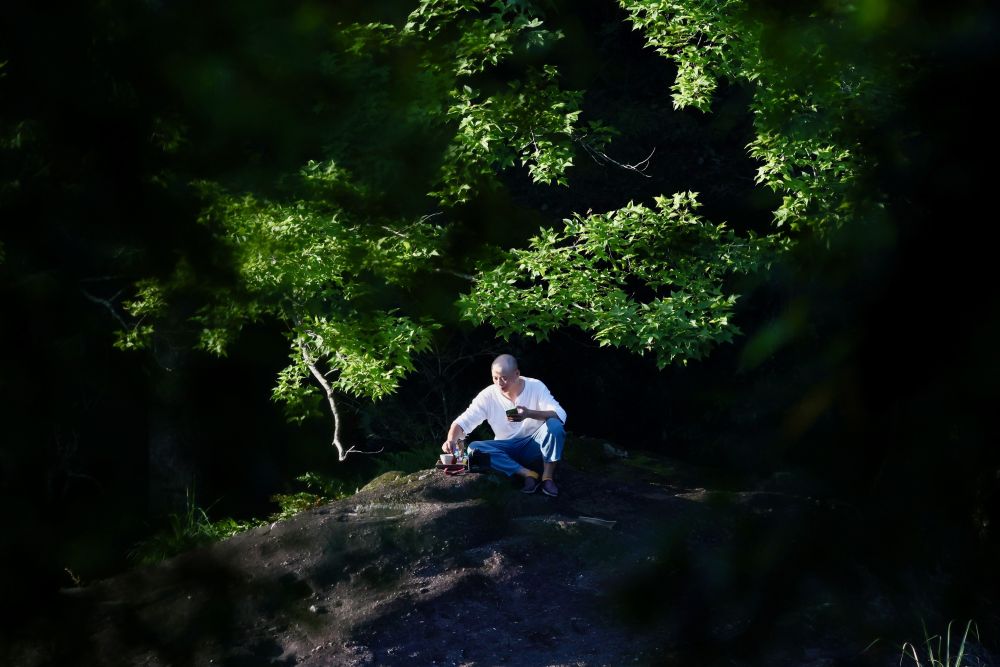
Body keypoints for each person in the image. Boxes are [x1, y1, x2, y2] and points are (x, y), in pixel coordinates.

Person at [442, 354, 566, 496]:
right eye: (495, 378)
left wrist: (529, 413)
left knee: (555, 426)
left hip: (534, 444)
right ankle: (528, 474)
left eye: (504, 378)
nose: (499, 383)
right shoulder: (488, 395)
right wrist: (451, 440)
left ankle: (547, 478)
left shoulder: (535, 386)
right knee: (474, 448)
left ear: (517, 374)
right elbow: (463, 421)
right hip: (506, 448)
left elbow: (560, 414)